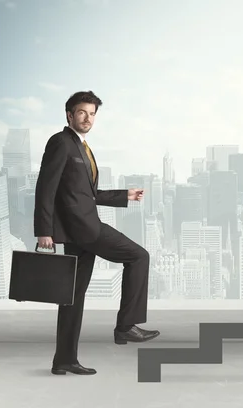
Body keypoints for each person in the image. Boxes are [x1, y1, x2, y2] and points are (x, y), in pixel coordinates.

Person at [33, 90, 160, 376]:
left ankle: (63, 360)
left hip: (83, 229)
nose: (88, 118)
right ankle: (126, 327)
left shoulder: (82, 147)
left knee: (73, 297)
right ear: (69, 115)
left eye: (92, 114)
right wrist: (44, 231)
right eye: (82, 113)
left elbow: (86, 194)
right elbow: (45, 188)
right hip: (84, 230)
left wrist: (124, 195)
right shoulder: (60, 143)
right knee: (139, 256)